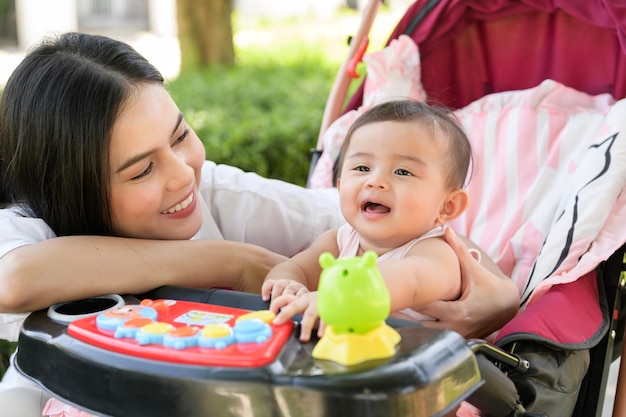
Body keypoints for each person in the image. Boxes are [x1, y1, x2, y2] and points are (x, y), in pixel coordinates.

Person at [0, 33, 518, 416]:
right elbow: (14, 279)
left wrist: (488, 291)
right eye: (141, 169)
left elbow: (388, 226)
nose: (184, 176)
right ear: (72, 189)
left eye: (181, 136)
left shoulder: (219, 193)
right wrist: (226, 260)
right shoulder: (28, 227)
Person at [262, 99, 500, 342]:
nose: (375, 181)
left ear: (447, 206)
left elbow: (404, 280)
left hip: (429, 368)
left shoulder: (437, 254)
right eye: (363, 168)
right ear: (341, 187)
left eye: (402, 172)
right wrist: (288, 285)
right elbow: (295, 267)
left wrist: (333, 298)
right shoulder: (339, 240)